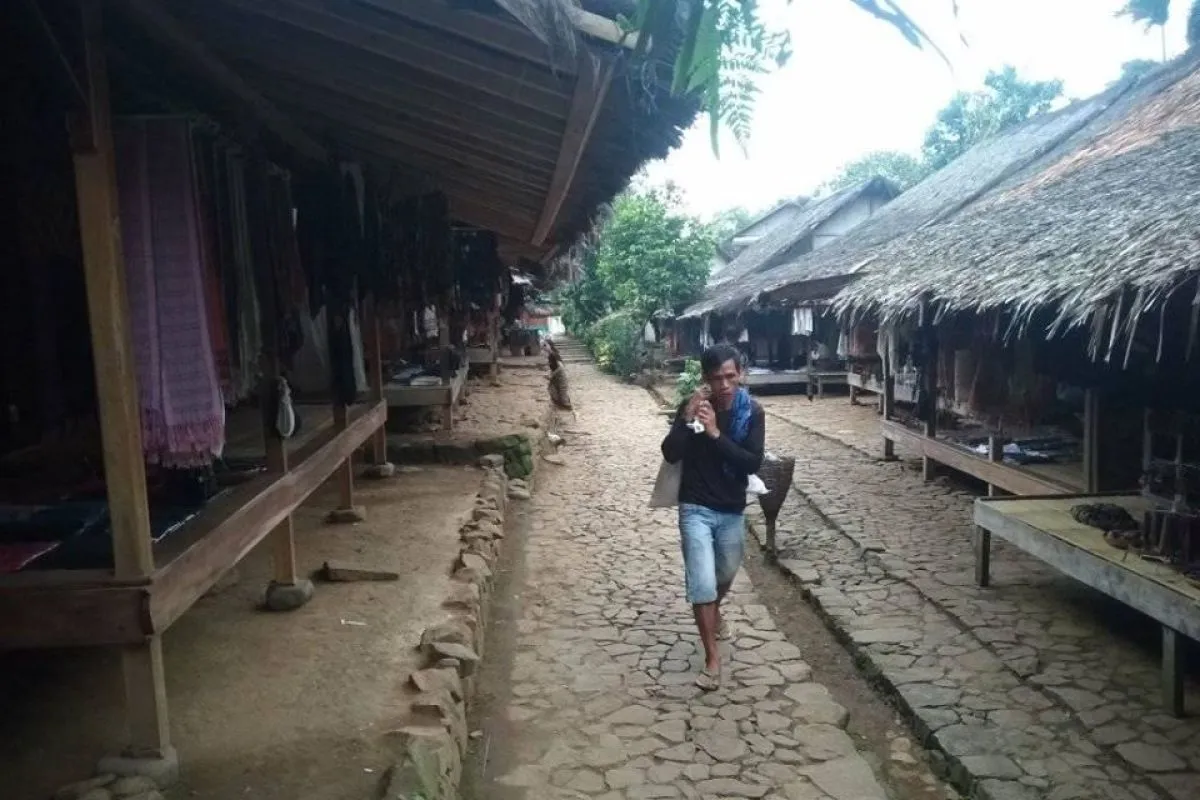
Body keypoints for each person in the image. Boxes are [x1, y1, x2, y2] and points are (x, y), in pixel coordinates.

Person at [660, 343, 765, 690]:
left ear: (740, 375)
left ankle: (714, 613)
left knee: (725, 573)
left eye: (730, 376)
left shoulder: (752, 412)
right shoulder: (692, 409)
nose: (724, 385)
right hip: (695, 507)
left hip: (731, 508)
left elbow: (751, 462)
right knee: (702, 582)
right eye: (716, 378)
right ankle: (712, 659)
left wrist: (716, 434)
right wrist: (687, 418)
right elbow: (671, 452)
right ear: (705, 378)